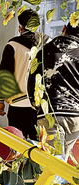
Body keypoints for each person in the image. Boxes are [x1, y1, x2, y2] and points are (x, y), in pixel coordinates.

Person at [28, 21, 79, 159]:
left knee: (51, 163)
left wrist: (36, 106)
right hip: (75, 117)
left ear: (64, 29)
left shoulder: (44, 51)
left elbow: (32, 81)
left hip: (50, 114)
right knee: (64, 160)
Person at [0, 9, 43, 141]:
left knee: (15, 145)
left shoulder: (12, 45)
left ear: (20, 27)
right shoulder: (44, 45)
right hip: (38, 106)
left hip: (17, 105)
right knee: (35, 146)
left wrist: (0, 100)